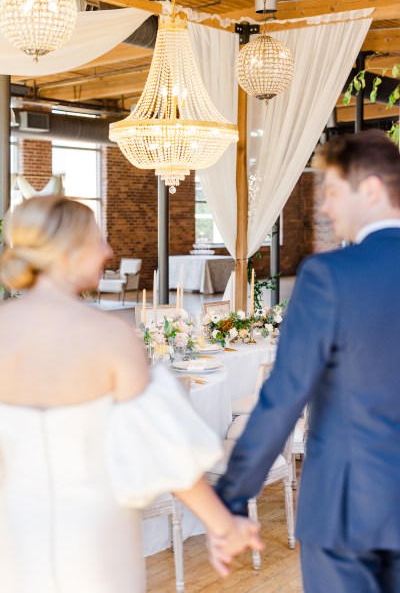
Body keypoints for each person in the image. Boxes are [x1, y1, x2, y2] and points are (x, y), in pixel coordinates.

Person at [0, 195, 262, 593]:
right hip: (96, 540)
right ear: (68, 250)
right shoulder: (109, 336)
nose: (107, 250)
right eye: (98, 238)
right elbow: (165, 447)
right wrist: (223, 525)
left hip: (12, 537)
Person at [211, 130, 400, 592]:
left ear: (372, 189)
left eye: (332, 192)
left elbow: (284, 396)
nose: (327, 208)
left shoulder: (330, 276)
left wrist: (229, 501)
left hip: (345, 509)